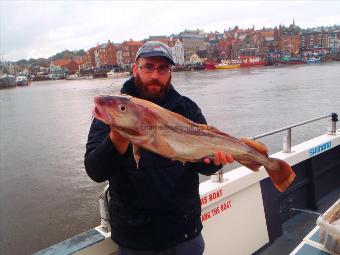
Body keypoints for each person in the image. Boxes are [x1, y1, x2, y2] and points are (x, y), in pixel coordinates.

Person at [84, 41, 234, 255]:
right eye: (149, 67)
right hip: (136, 239)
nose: (155, 75)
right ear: (135, 69)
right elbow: (95, 171)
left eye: (163, 68)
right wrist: (118, 135)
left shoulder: (187, 108)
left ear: (170, 72)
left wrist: (215, 161)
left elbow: (203, 166)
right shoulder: (113, 111)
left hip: (185, 233)